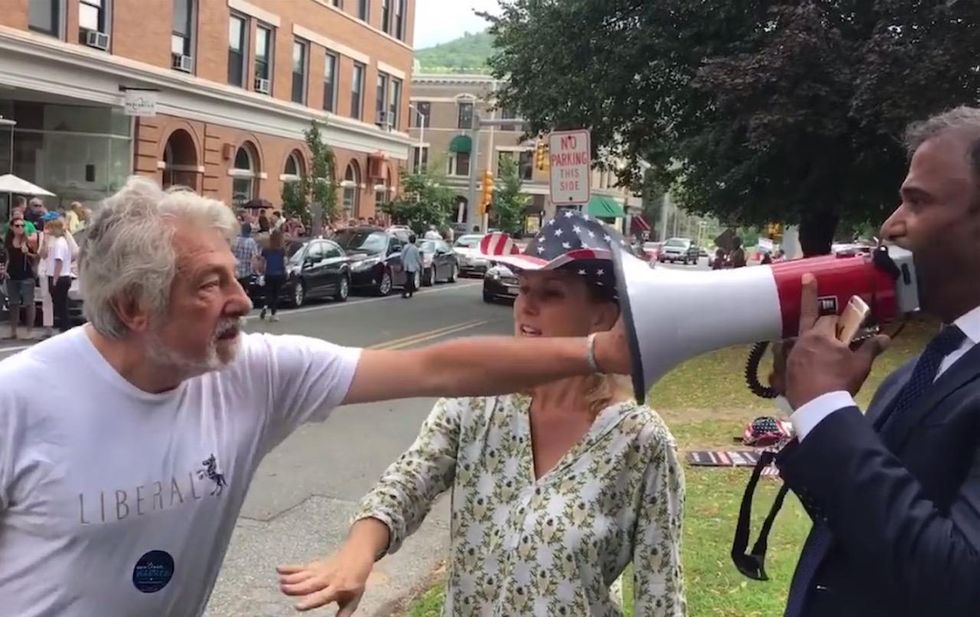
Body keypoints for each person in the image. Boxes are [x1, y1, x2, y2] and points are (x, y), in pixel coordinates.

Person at [0, 177, 632, 617]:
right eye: (209, 285)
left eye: (235, 275)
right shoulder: (20, 400)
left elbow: (437, 368)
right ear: (136, 307)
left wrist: (599, 355)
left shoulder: (254, 372)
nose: (243, 301)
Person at [278, 214, 686, 617]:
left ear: (603, 316)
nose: (527, 305)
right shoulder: (478, 401)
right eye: (524, 289)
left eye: (552, 293)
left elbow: (660, 593)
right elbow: (407, 483)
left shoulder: (639, 440)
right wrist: (358, 551)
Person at [757, 106, 980, 617]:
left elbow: (959, 582)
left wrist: (829, 410)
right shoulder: (920, 370)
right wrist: (811, 411)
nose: (891, 224)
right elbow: (859, 527)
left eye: (917, 202)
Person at [3, 212, 38, 339]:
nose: (20, 228)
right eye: (17, 226)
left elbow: (37, 257)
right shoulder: (8, 241)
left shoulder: (29, 241)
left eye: (22, 225)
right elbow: (7, 257)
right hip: (12, 275)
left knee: (29, 303)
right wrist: (5, 270)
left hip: (27, 275)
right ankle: (13, 330)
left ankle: (30, 330)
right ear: (11, 227)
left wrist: (27, 252)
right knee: (13, 303)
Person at [258, 228, 287, 321]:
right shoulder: (282, 250)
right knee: (276, 295)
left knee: (268, 292)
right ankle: (273, 314)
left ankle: (265, 306)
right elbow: (285, 262)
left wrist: (261, 271)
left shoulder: (266, 249)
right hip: (279, 273)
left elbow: (262, 262)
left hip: (269, 273)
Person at [401, 234, 422, 299]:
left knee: (408, 279)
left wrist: (403, 263)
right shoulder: (415, 249)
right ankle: (408, 292)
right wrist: (420, 264)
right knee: (410, 279)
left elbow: (402, 257)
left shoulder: (405, 247)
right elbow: (418, 258)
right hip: (413, 266)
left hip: (406, 265)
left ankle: (407, 292)